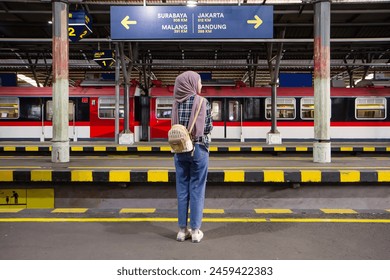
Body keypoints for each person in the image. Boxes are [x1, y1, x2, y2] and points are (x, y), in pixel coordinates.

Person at [171, 71, 213, 243]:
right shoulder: (203, 102)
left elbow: (173, 127)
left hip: (179, 150)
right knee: (197, 189)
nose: (200, 85)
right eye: (199, 82)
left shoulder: (175, 104)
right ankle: (195, 231)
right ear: (192, 84)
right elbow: (208, 128)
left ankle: (182, 231)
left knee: (182, 189)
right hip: (198, 149)